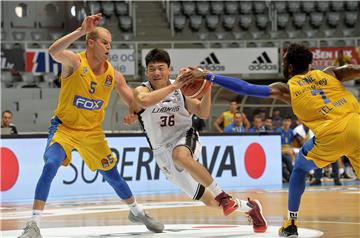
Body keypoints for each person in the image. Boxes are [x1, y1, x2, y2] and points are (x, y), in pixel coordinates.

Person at [188, 43, 360, 237]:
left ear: (289, 67)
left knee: (301, 169)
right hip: (357, 125)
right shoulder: (331, 73)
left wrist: (209, 76)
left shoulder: (286, 88)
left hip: (332, 133)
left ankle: (290, 223)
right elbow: (355, 70)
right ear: (309, 64)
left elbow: (246, 88)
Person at [18, 14, 164, 238]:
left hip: (92, 133)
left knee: (113, 175)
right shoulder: (75, 62)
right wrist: (80, 30)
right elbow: (53, 52)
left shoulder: (113, 76)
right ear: (91, 42)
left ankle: (137, 212)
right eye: (105, 42)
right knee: (51, 164)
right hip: (65, 128)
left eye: (110, 44)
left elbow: (133, 101)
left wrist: (132, 112)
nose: (109, 47)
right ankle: (33, 224)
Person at [131, 48, 268, 233]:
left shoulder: (182, 90)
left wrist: (208, 88)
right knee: (208, 200)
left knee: (180, 155)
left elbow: (203, 113)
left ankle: (223, 195)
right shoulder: (142, 90)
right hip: (161, 153)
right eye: (152, 68)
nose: (157, 72)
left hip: (184, 136)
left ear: (168, 69)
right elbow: (145, 102)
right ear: (146, 72)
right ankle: (251, 208)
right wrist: (174, 86)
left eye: (161, 68)